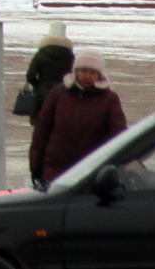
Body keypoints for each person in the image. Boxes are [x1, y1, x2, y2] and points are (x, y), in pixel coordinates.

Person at [29, 51, 126, 186]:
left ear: (100, 74)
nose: (87, 76)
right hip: (54, 172)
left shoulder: (110, 99)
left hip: (92, 174)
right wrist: (36, 167)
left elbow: (119, 136)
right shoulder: (58, 93)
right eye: (83, 71)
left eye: (92, 72)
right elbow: (41, 131)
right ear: (75, 71)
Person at [23, 22, 75, 124]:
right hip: (62, 92)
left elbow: (30, 75)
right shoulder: (70, 56)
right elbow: (73, 75)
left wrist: (38, 85)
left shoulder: (41, 53)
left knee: (40, 123)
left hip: (42, 92)